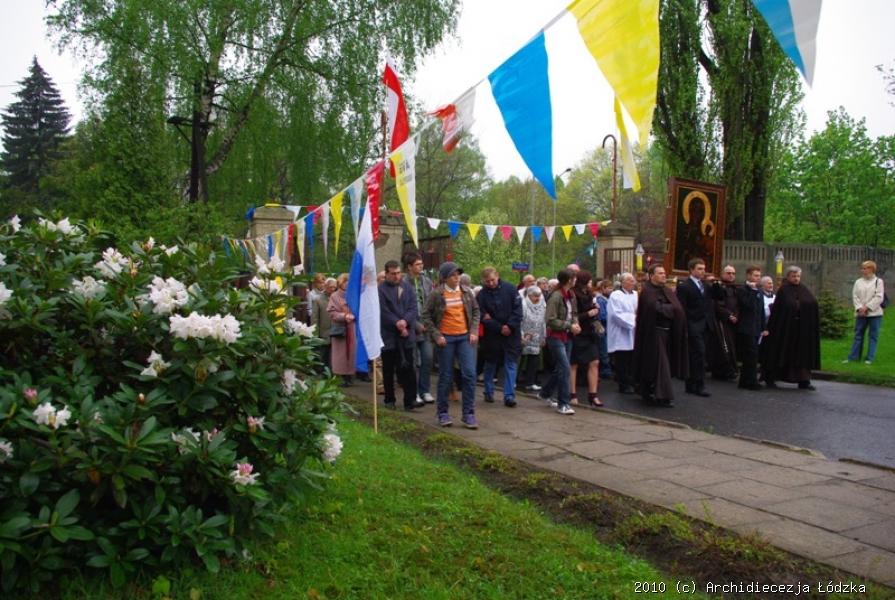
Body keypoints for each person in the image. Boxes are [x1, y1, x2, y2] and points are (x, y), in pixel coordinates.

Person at [422, 262, 481, 429]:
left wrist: (473, 330)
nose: (457, 278)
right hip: (446, 338)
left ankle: (468, 413)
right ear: (445, 278)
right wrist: (436, 334)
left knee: (469, 374)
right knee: (446, 376)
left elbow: (476, 311)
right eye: (453, 275)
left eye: (458, 275)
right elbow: (426, 315)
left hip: (464, 338)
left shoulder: (467, 292)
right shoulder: (437, 294)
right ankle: (442, 412)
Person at [632, 264, 688, 407]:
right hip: (654, 333)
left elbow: (678, 309)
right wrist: (670, 309)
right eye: (660, 273)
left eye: (664, 273)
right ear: (652, 276)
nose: (663, 275)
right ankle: (663, 396)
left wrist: (669, 308)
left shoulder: (667, 291)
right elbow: (654, 308)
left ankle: (646, 389)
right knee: (660, 364)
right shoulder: (647, 291)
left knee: (658, 363)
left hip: (668, 333)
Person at [762, 266, 820, 390]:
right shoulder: (784, 290)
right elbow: (783, 308)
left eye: (798, 276)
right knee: (781, 352)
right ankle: (771, 378)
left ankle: (803, 380)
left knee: (802, 354)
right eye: (794, 276)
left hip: (801, 329)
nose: (796, 279)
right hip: (785, 329)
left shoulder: (803, 289)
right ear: (788, 277)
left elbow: (811, 303)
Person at [379, 260, 424, 411]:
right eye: (393, 274)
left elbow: (413, 308)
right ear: (387, 274)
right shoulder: (380, 291)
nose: (396, 276)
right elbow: (383, 312)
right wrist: (397, 323)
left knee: (409, 368)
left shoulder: (407, 287)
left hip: (406, 335)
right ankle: (389, 399)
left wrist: (405, 321)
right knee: (389, 369)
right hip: (389, 336)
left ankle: (410, 400)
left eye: (398, 273)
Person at [477, 267, 523, 407]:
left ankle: (509, 395)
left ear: (497, 275)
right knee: (490, 363)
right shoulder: (482, 295)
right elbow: (482, 316)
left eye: (492, 280)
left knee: (511, 363)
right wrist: (500, 327)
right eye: (487, 281)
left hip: (511, 334)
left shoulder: (510, 289)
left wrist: (510, 326)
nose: (491, 283)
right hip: (492, 336)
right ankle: (488, 391)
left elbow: (518, 310)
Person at [537, 268, 581, 415]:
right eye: (574, 278)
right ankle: (563, 404)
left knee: (561, 368)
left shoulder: (571, 295)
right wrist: (569, 326)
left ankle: (545, 393)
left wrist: (575, 324)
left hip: (567, 336)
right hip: (555, 336)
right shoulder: (555, 297)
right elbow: (550, 319)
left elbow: (574, 314)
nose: (576, 280)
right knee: (565, 368)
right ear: (569, 280)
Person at [675, 258, 716, 398]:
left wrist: (715, 284)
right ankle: (699, 384)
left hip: (705, 324)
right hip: (693, 324)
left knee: (698, 355)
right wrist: (685, 326)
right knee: (699, 353)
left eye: (704, 269)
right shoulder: (685, 286)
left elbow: (718, 297)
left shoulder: (706, 285)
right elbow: (682, 308)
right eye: (699, 269)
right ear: (691, 270)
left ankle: (691, 384)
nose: (703, 271)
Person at [404, 252, 435, 403]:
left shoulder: (427, 282)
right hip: (411, 326)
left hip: (426, 326)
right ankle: (414, 391)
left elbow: (432, 302)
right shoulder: (404, 283)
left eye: (421, 263)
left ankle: (425, 390)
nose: (421, 266)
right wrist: (415, 324)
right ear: (409, 267)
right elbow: (403, 306)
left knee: (427, 358)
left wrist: (429, 322)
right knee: (413, 361)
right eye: (417, 264)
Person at [569, 270, 603, 408]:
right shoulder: (573, 294)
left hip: (589, 333)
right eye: (589, 280)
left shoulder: (590, 294)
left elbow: (592, 309)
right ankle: (572, 394)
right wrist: (588, 313)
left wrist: (596, 308)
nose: (591, 282)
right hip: (577, 332)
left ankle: (593, 394)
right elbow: (573, 315)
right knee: (574, 364)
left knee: (594, 361)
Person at [845, 260, 885, 365]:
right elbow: (855, 296)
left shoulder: (878, 282)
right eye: (862, 268)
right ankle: (853, 357)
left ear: (871, 269)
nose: (862, 270)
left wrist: (867, 307)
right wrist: (859, 308)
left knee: (873, 335)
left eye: (865, 268)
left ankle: (869, 358)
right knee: (858, 334)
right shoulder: (858, 282)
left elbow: (879, 297)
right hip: (860, 314)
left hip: (874, 313)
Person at [735, 265, 767, 390]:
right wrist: (753, 291)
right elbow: (748, 304)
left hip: (756, 327)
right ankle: (751, 380)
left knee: (753, 355)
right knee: (751, 354)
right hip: (746, 327)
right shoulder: (742, 290)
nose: (758, 278)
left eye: (759, 276)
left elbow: (760, 310)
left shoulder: (759, 291)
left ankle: (745, 380)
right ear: (748, 275)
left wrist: (763, 326)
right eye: (755, 275)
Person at [607, 273, 638, 394]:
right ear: (623, 282)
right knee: (622, 360)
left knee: (631, 359)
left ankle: (630, 381)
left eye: (633, 280)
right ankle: (623, 385)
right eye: (630, 280)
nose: (633, 283)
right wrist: (633, 319)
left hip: (633, 332)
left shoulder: (635, 294)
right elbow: (616, 314)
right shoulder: (616, 295)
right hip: (621, 331)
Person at [708, 264, 739, 380]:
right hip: (722, 321)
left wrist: (736, 315)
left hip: (733, 322)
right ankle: (724, 371)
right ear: (723, 274)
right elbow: (718, 303)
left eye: (733, 273)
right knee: (724, 346)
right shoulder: (719, 287)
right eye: (728, 273)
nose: (731, 275)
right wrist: (728, 315)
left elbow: (738, 304)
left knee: (732, 346)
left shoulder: (735, 288)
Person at [327, 273, 356, 387]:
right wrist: (344, 316)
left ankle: (350, 375)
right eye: (345, 281)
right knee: (341, 355)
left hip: (352, 328)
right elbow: (332, 313)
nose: (347, 284)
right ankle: (341, 376)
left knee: (352, 353)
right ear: (340, 283)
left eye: (349, 281)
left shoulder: (354, 295)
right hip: (340, 329)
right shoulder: (334, 296)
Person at [520, 285, 546, 391]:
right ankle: (513, 381)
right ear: (529, 296)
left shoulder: (542, 305)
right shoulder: (523, 304)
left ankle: (530, 382)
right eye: (535, 296)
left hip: (536, 335)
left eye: (539, 296)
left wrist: (543, 336)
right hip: (524, 334)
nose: (538, 298)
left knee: (534, 359)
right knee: (520, 358)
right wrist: (521, 334)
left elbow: (543, 321)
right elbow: (520, 320)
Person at [310, 277, 337, 372]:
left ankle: (334, 372)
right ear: (325, 287)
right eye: (330, 287)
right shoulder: (318, 300)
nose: (332, 289)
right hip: (324, 332)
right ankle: (324, 372)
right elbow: (314, 318)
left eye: (334, 287)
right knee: (324, 354)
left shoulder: (338, 299)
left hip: (337, 332)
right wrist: (315, 333)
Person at [596, 280, 614, 381]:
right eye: (609, 288)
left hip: (608, 328)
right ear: (603, 288)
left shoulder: (607, 299)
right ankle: (605, 370)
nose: (611, 290)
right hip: (603, 328)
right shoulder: (601, 300)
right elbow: (602, 316)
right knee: (604, 350)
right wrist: (613, 318)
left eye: (611, 288)